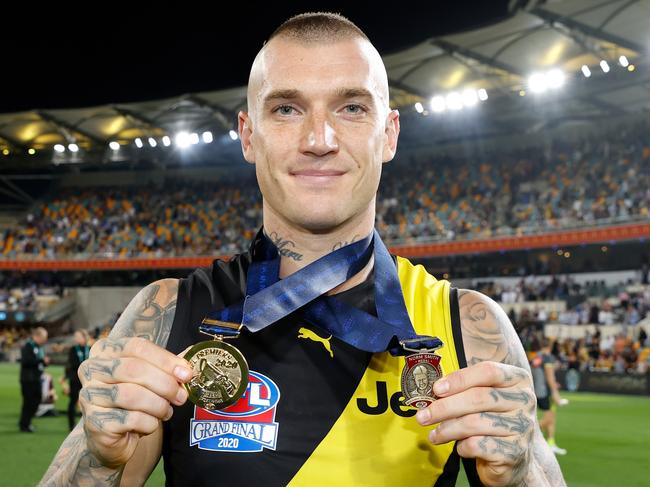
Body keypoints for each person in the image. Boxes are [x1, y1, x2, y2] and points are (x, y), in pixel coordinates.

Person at [40, 12, 565, 486]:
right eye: (288, 108)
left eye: (352, 107)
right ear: (249, 136)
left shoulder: (468, 326)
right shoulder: (168, 314)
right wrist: (99, 458)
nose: (320, 137)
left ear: (389, 133)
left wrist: (518, 478)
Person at [530, 338, 568, 455]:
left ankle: (551, 443)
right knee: (548, 419)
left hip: (534, 390)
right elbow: (550, 377)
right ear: (550, 346)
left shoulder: (536, 357)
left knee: (551, 417)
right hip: (544, 392)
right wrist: (556, 395)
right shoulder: (548, 358)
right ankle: (526, 435)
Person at [19, 326, 49, 432]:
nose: (46, 340)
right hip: (28, 379)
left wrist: (44, 362)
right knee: (28, 402)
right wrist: (41, 360)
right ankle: (24, 425)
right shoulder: (28, 346)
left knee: (36, 400)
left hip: (36, 378)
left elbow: (38, 363)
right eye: (44, 337)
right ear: (37, 336)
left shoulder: (39, 347)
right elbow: (26, 362)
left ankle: (27, 422)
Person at [63, 329, 91, 430]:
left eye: (78, 336)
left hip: (87, 379)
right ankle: (71, 425)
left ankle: (90, 423)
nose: (76, 338)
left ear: (84, 337)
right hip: (75, 378)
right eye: (75, 336)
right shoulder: (73, 349)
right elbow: (72, 364)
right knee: (73, 400)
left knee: (89, 402)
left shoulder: (90, 348)